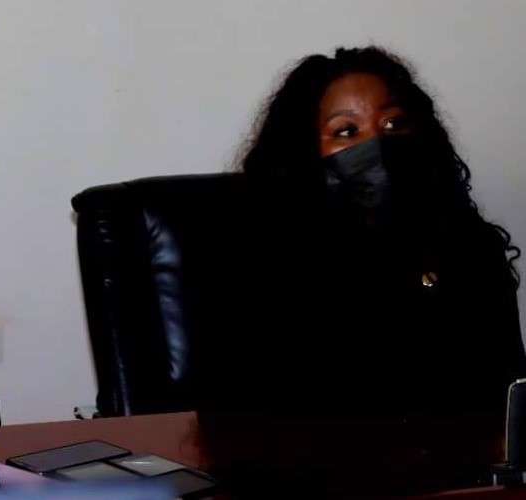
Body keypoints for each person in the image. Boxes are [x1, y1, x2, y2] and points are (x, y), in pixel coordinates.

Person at [193, 46, 526, 495]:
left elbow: (506, 396)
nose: (378, 146)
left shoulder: (468, 246)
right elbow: (247, 426)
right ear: (303, 154)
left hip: (459, 482)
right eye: (346, 132)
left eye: (393, 124)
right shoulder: (260, 266)